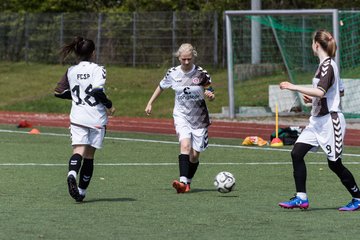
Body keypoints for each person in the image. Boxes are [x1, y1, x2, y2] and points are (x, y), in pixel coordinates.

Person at [278, 29, 360, 211]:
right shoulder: (324, 65)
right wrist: (313, 99)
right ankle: (301, 197)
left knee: (334, 164)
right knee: (296, 153)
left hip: (331, 122)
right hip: (316, 121)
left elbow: (324, 92)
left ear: (316, 45)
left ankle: (357, 197)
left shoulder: (328, 66)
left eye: (311, 43)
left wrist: (294, 87)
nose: (311, 46)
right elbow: (338, 91)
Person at [145, 43, 215, 193]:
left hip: (199, 118)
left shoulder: (201, 73)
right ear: (178, 58)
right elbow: (161, 86)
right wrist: (150, 102)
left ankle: (187, 182)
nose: (186, 62)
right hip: (181, 115)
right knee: (185, 145)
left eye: (189, 59)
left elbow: (209, 88)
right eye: (183, 59)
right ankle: (182, 182)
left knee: (195, 155)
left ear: (193, 57)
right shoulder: (172, 73)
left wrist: (210, 95)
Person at [54, 36, 115, 202]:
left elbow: (58, 92)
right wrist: (109, 105)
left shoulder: (71, 71)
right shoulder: (98, 69)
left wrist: (74, 96)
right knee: (89, 156)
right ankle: (81, 192)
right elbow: (97, 91)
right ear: (93, 53)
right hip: (96, 118)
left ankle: (72, 173)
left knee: (78, 151)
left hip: (78, 117)